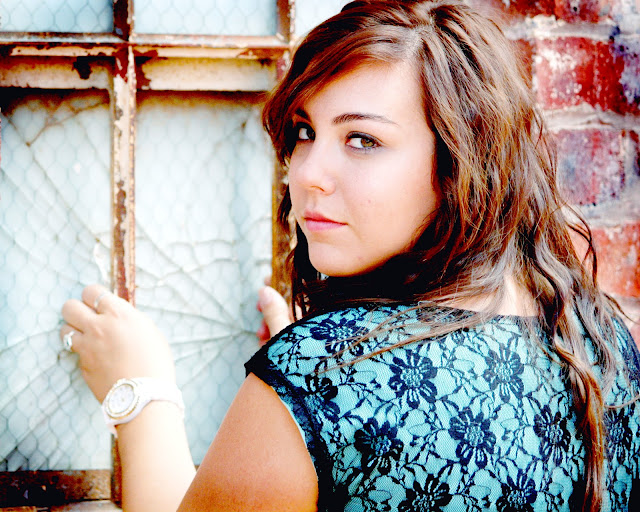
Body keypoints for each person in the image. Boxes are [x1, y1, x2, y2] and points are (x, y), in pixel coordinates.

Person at [59, 1, 640, 511]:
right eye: (304, 132)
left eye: (362, 140)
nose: (307, 173)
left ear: (461, 164)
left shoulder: (319, 377)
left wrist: (140, 392)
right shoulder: (599, 341)